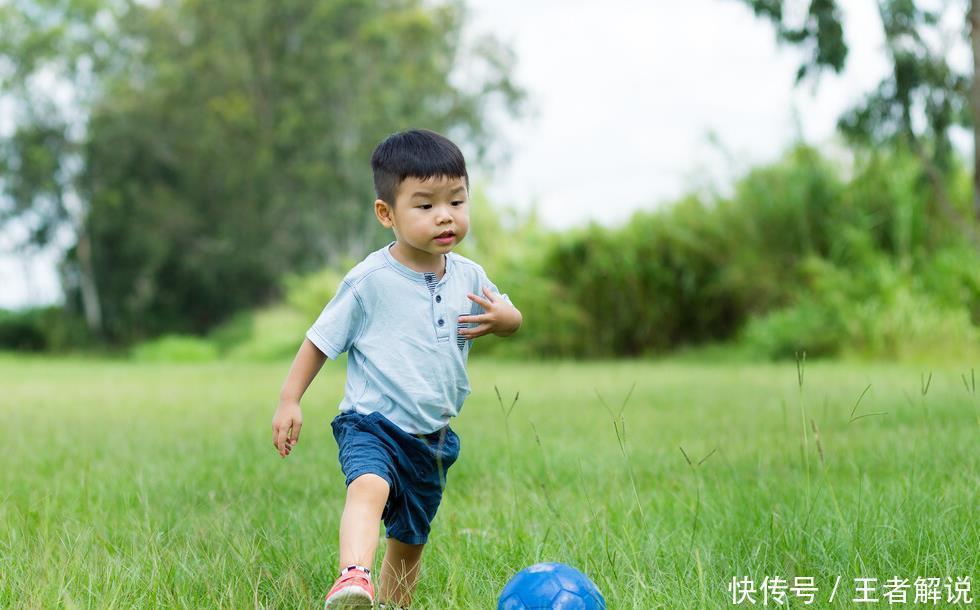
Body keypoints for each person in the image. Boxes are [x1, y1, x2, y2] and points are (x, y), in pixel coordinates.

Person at [271, 129, 523, 609]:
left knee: (409, 541)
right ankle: (353, 576)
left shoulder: (469, 276)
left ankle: (389, 603)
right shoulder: (370, 280)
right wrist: (290, 400)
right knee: (369, 487)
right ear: (386, 213)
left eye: (456, 201)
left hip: (432, 437)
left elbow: (510, 315)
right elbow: (320, 340)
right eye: (425, 205)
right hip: (373, 423)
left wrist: (506, 320)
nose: (445, 215)